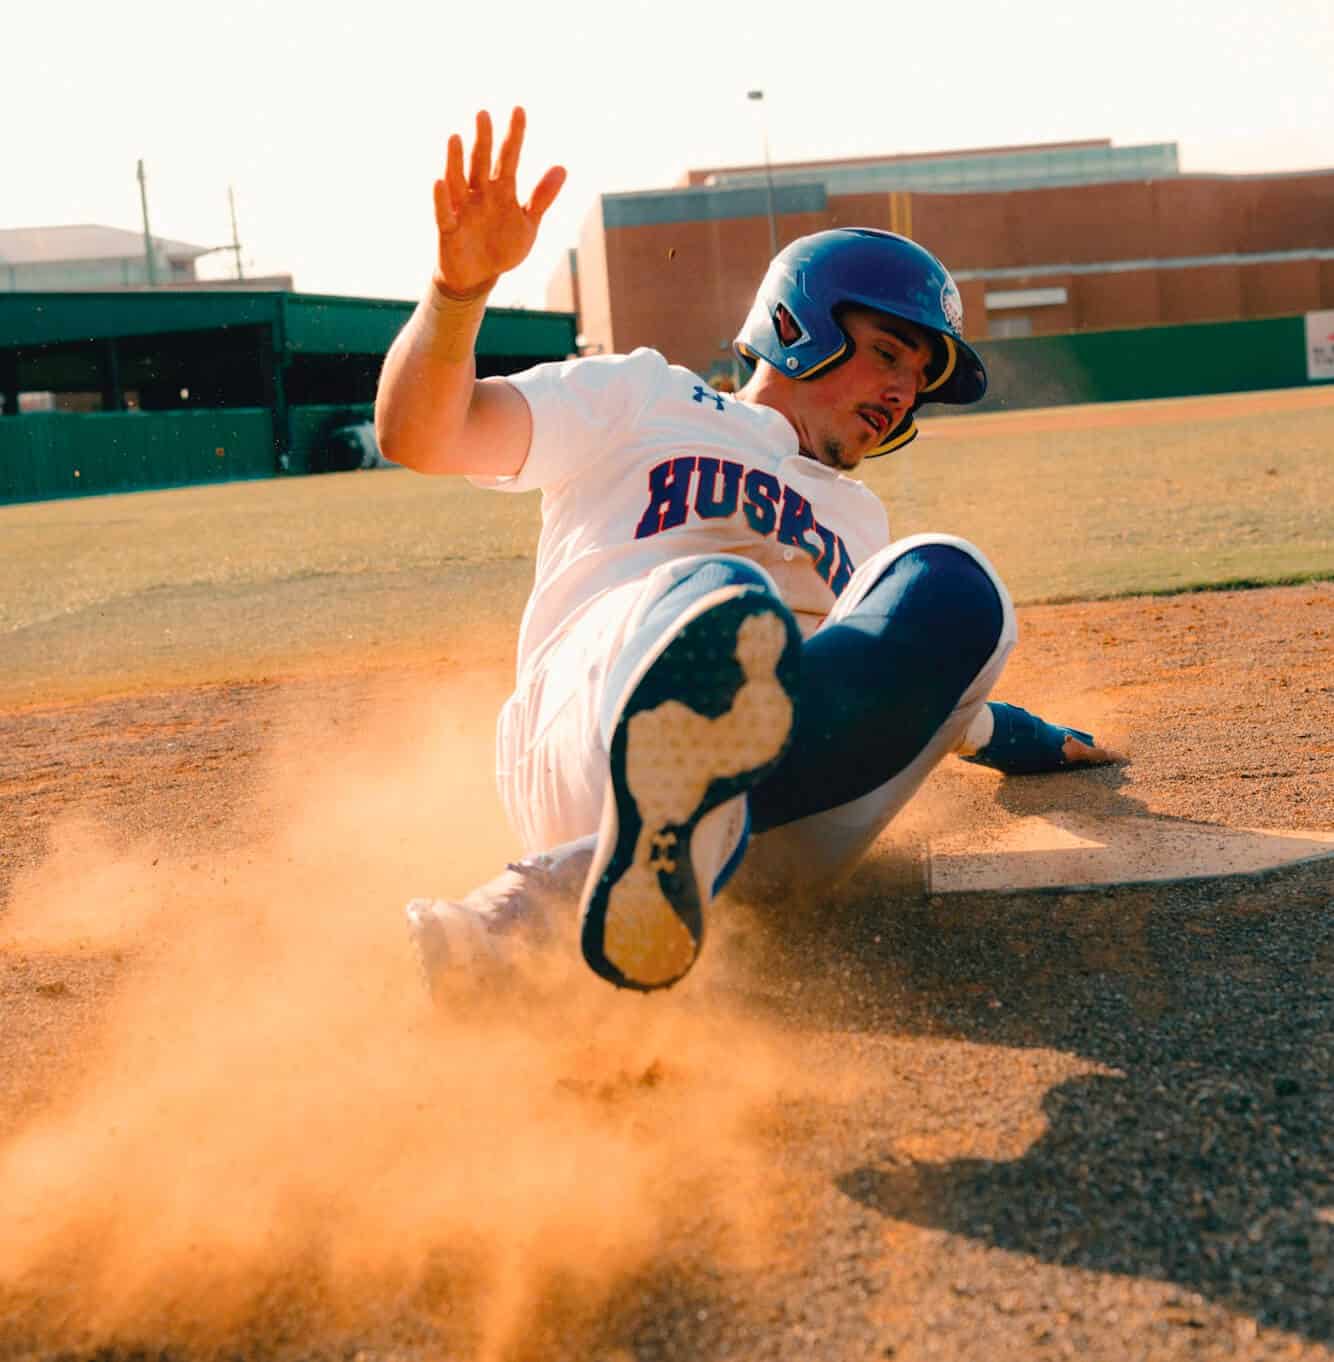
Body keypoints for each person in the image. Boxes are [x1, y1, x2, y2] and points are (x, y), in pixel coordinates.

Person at [375, 108, 1122, 996]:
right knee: (724, 606)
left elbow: (875, 690)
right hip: (587, 738)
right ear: (798, 323)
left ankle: (558, 906)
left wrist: (1018, 733)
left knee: (952, 583)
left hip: (783, 830)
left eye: (918, 378)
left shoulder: (860, 520)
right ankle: (558, 884)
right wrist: (456, 294)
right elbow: (422, 434)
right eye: (887, 353)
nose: (901, 391)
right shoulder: (645, 396)